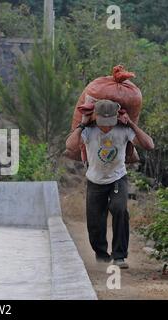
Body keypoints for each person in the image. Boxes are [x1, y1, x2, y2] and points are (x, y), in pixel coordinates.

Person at [66, 100, 154, 269]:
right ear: (95, 117)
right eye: (102, 123)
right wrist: (82, 125)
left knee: (120, 210)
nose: (106, 127)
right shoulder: (89, 131)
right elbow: (69, 145)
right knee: (95, 222)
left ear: (116, 118)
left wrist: (132, 125)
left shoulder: (124, 129)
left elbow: (149, 145)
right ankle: (101, 254)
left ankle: (119, 256)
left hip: (117, 178)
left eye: (109, 123)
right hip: (95, 181)